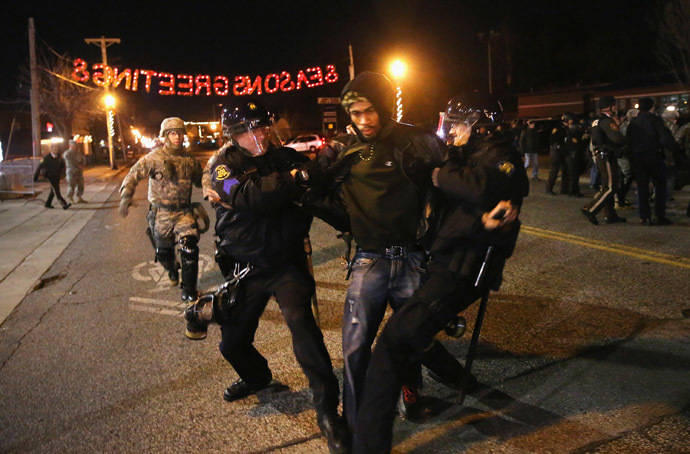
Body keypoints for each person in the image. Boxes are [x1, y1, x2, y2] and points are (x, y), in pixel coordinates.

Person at [351, 92, 529, 453]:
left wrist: (438, 173)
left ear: (480, 126)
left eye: (460, 124)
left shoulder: (502, 157)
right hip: (441, 263)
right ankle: (454, 377)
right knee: (411, 327)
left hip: (463, 270)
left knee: (392, 344)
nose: (453, 130)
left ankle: (368, 444)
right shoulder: (465, 157)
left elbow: (479, 186)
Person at [300, 72, 469, 434]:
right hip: (369, 260)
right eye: (356, 114)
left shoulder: (418, 140)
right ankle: (356, 422)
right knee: (356, 349)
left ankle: (410, 395)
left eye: (370, 111)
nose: (363, 121)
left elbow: (457, 176)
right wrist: (351, 219)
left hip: (412, 259)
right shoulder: (340, 148)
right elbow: (312, 190)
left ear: (385, 106)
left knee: (412, 338)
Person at [201, 99, 348, 454]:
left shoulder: (284, 157)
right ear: (235, 135)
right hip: (245, 268)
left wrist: (356, 224)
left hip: (286, 263)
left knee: (304, 329)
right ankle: (256, 377)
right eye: (252, 129)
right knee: (232, 342)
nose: (262, 134)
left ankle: (328, 411)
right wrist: (294, 180)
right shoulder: (224, 166)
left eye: (265, 126)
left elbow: (317, 193)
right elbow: (248, 197)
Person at [118, 117, 204, 303]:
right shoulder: (154, 158)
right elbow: (134, 174)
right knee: (163, 253)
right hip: (161, 214)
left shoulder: (189, 160)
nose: (177, 136)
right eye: (173, 133)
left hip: (183, 213)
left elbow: (203, 180)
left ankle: (189, 291)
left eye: (180, 133)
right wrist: (126, 195)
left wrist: (225, 191)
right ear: (165, 136)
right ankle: (172, 269)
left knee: (190, 249)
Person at [626, 97, 678, 225]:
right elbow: (665, 138)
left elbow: (628, 140)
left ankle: (644, 216)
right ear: (652, 107)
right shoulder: (655, 120)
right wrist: (674, 149)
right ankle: (659, 215)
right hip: (654, 157)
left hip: (638, 157)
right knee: (660, 186)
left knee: (642, 187)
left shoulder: (634, 122)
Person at [580, 96, 627, 225]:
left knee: (607, 185)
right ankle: (590, 209)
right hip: (606, 155)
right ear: (610, 106)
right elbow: (617, 138)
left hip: (601, 155)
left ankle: (610, 215)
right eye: (614, 105)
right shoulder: (606, 121)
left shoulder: (596, 120)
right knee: (611, 187)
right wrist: (627, 140)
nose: (616, 107)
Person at [545, 114, 570, 195]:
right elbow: (554, 139)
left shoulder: (566, 128)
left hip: (563, 151)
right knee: (554, 170)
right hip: (556, 151)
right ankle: (549, 189)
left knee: (565, 170)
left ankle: (564, 189)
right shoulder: (558, 127)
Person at [562, 113, 585, 197]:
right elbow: (575, 146)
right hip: (572, 156)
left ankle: (574, 190)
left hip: (572, 156)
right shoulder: (571, 136)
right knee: (573, 175)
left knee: (574, 174)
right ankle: (572, 191)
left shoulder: (570, 135)